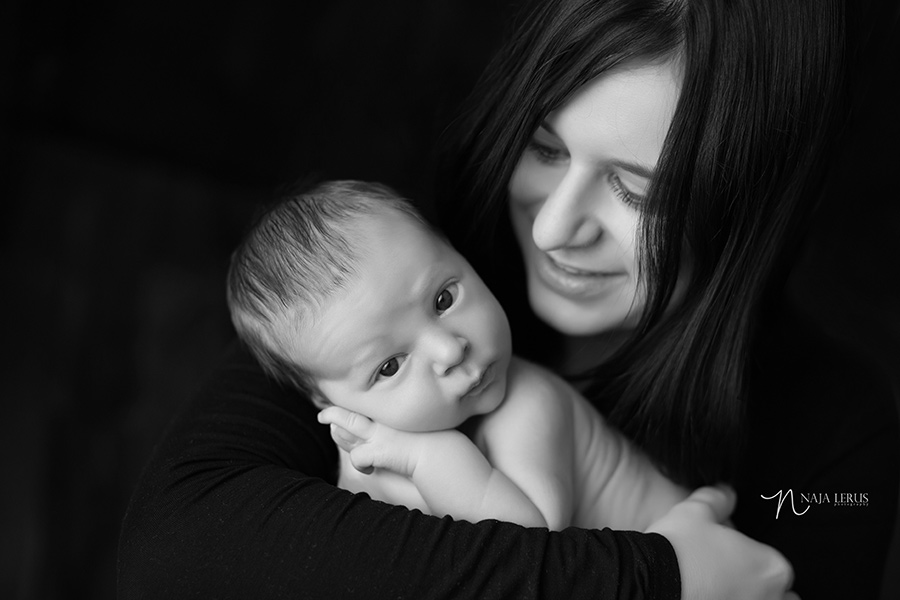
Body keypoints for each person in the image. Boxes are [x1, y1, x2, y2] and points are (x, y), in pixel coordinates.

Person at [118, 1, 899, 599]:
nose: (557, 226)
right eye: (545, 149)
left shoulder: (834, 441)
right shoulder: (378, 268)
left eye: (637, 191)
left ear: (745, 208)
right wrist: (660, 580)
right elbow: (177, 547)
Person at [226, 179, 688, 531]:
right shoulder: (365, 453)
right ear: (331, 406)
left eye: (444, 300)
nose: (450, 349)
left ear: (458, 255)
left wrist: (427, 459)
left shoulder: (528, 405)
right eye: (389, 366)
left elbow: (530, 548)